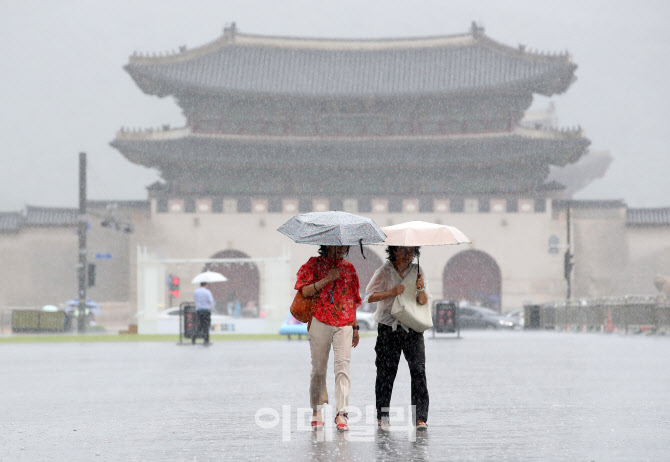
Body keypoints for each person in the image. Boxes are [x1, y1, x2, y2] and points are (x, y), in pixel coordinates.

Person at [295, 245, 362, 431]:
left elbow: (353, 300)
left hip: (345, 323)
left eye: (344, 246)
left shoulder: (349, 268)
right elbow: (305, 291)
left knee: (342, 366)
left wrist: (355, 327)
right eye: (337, 246)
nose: (341, 249)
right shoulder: (313, 265)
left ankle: (342, 413)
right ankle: (317, 410)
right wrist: (327, 279)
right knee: (318, 369)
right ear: (326, 245)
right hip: (320, 320)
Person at [365, 246, 430, 430]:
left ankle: (420, 417)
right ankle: (382, 416)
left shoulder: (418, 271)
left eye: (412, 251)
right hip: (388, 328)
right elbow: (370, 297)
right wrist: (391, 292)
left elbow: (423, 301)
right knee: (386, 372)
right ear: (394, 251)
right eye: (404, 250)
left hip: (412, 327)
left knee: (418, 371)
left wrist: (421, 288)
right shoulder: (384, 271)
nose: (408, 255)